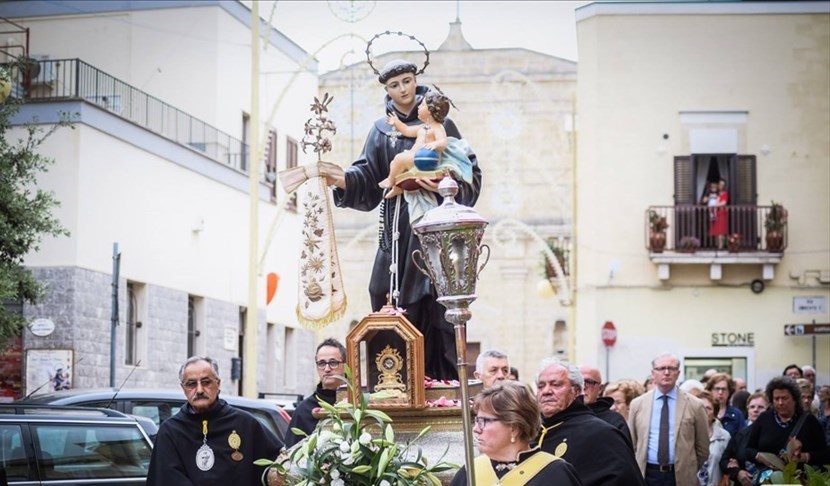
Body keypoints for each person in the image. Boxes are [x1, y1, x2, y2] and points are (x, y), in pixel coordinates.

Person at [324, 59, 482, 382]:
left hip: (433, 232)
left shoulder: (440, 123)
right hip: (396, 232)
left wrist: (441, 183)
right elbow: (367, 176)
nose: (403, 90)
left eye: (407, 81)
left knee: (433, 303)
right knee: (381, 290)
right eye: (395, 85)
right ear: (386, 90)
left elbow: (468, 169)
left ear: (415, 80)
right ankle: (391, 381)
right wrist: (341, 179)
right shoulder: (382, 130)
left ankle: (439, 382)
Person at [147, 356, 282, 485]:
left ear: (218, 384)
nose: (199, 390)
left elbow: (278, 464)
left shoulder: (245, 424)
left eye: (206, 382)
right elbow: (166, 479)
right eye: (191, 384)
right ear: (183, 388)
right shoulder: (170, 431)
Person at [534, 358, 644, 486]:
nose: (546, 391)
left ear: (575, 391)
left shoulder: (602, 433)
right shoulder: (531, 431)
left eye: (556, 385)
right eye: (541, 386)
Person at [450, 381, 583, 486]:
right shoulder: (470, 473)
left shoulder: (555, 474)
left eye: (484, 421)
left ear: (514, 426)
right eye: (476, 420)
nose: (476, 429)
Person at [628, 352, 709, 486]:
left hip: (681, 476)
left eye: (671, 369)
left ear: (678, 373)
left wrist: (688, 468)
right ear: (653, 373)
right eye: (661, 368)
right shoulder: (638, 404)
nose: (666, 373)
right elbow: (633, 444)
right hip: (647, 475)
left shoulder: (695, 405)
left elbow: (703, 448)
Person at [380, 91, 472, 201]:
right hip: (415, 157)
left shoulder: (437, 127)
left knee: (399, 159)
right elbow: (406, 130)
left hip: (425, 160)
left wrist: (434, 144)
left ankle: (390, 180)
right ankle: (398, 188)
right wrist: (396, 122)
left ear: (430, 111)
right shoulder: (422, 127)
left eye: (422, 105)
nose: (418, 107)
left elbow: (443, 142)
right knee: (397, 165)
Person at [745, 376, 826, 473]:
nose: (780, 403)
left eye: (784, 398)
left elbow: (825, 454)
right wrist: (760, 456)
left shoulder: (809, 421)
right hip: (769, 479)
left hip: (799, 479)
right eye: (776, 399)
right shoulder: (764, 418)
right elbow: (748, 449)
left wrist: (804, 456)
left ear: (795, 399)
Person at [284, 338, 346, 448]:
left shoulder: (357, 404)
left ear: (346, 366)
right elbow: (291, 455)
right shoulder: (303, 411)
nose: (327, 369)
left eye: (333, 363)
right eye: (321, 363)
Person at [719, 392, 768, 486]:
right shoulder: (740, 435)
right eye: (752, 407)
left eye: (760, 407)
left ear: (768, 410)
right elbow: (724, 461)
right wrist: (737, 472)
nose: (756, 410)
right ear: (748, 410)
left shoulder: (774, 433)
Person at [580, 364, 632, 445]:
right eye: (579, 382)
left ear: (600, 389)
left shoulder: (614, 420)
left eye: (589, 382)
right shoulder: (563, 416)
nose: (583, 387)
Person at [695, 391, 731, 486]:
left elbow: (729, 464)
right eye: (701, 408)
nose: (704, 411)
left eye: (708, 408)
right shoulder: (687, 435)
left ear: (714, 413)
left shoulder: (724, 436)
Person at [705, 372, 746, 437]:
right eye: (717, 389)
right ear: (710, 390)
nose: (720, 392)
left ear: (729, 391)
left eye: (724, 389)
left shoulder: (737, 415)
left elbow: (743, 438)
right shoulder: (704, 411)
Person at [709, 179, 728, 250]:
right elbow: (709, 199)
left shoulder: (725, 193)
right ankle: (717, 245)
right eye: (720, 184)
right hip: (715, 214)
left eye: (723, 185)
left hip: (722, 214)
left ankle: (721, 246)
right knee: (716, 230)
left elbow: (724, 203)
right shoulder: (716, 193)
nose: (721, 186)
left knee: (721, 230)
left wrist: (715, 205)